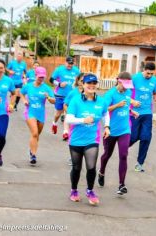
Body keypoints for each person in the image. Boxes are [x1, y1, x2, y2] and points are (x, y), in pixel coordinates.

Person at [65, 73, 110, 205]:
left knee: (91, 167)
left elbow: (105, 113)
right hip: (76, 140)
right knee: (76, 168)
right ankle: (74, 190)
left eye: (94, 83)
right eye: (89, 83)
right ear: (83, 84)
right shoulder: (75, 100)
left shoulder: (101, 101)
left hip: (92, 139)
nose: (91, 85)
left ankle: (90, 191)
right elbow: (68, 118)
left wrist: (107, 127)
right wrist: (83, 120)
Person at [98, 72, 135, 195]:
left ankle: (121, 184)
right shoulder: (110, 94)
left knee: (123, 155)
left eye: (128, 85)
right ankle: (102, 171)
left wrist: (132, 111)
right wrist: (117, 105)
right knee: (107, 154)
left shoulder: (128, 93)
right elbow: (103, 110)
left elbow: (126, 106)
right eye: (124, 84)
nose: (126, 87)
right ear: (118, 81)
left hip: (125, 130)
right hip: (111, 130)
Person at [20, 67, 55, 165]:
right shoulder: (28, 86)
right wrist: (24, 100)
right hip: (30, 111)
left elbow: (53, 101)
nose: (41, 79)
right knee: (34, 133)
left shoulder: (47, 88)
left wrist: (48, 97)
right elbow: (21, 93)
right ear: (35, 75)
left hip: (41, 113)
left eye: (43, 77)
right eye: (39, 77)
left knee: (36, 135)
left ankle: (32, 149)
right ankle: (33, 155)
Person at [129, 62, 156, 172]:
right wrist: (132, 101)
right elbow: (125, 93)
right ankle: (123, 147)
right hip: (135, 112)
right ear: (144, 69)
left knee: (146, 137)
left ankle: (139, 163)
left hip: (147, 112)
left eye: (151, 74)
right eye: (148, 73)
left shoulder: (155, 80)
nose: (149, 76)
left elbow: (155, 92)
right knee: (133, 137)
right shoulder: (135, 78)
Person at [50, 56, 80, 135]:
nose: (70, 65)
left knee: (69, 113)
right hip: (60, 94)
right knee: (58, 114)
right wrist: (59, 84)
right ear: (65, 62)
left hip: (71, 96)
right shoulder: (59, 69)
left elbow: (80, 80)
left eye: (71, 64)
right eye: (68, 63)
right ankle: (54, 123)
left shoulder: (76, 71)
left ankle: (65, 132)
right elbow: (51, 79)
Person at [62, 72, 84, 142]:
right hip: (71, 112)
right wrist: (69, 112)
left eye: (85, 81)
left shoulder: (89, 93)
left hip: (82, 114)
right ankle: (65, 132)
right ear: (78, 81)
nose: (83, 83)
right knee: (67, 117)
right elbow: (65, 105)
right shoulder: (72, 93)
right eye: (81, 81)